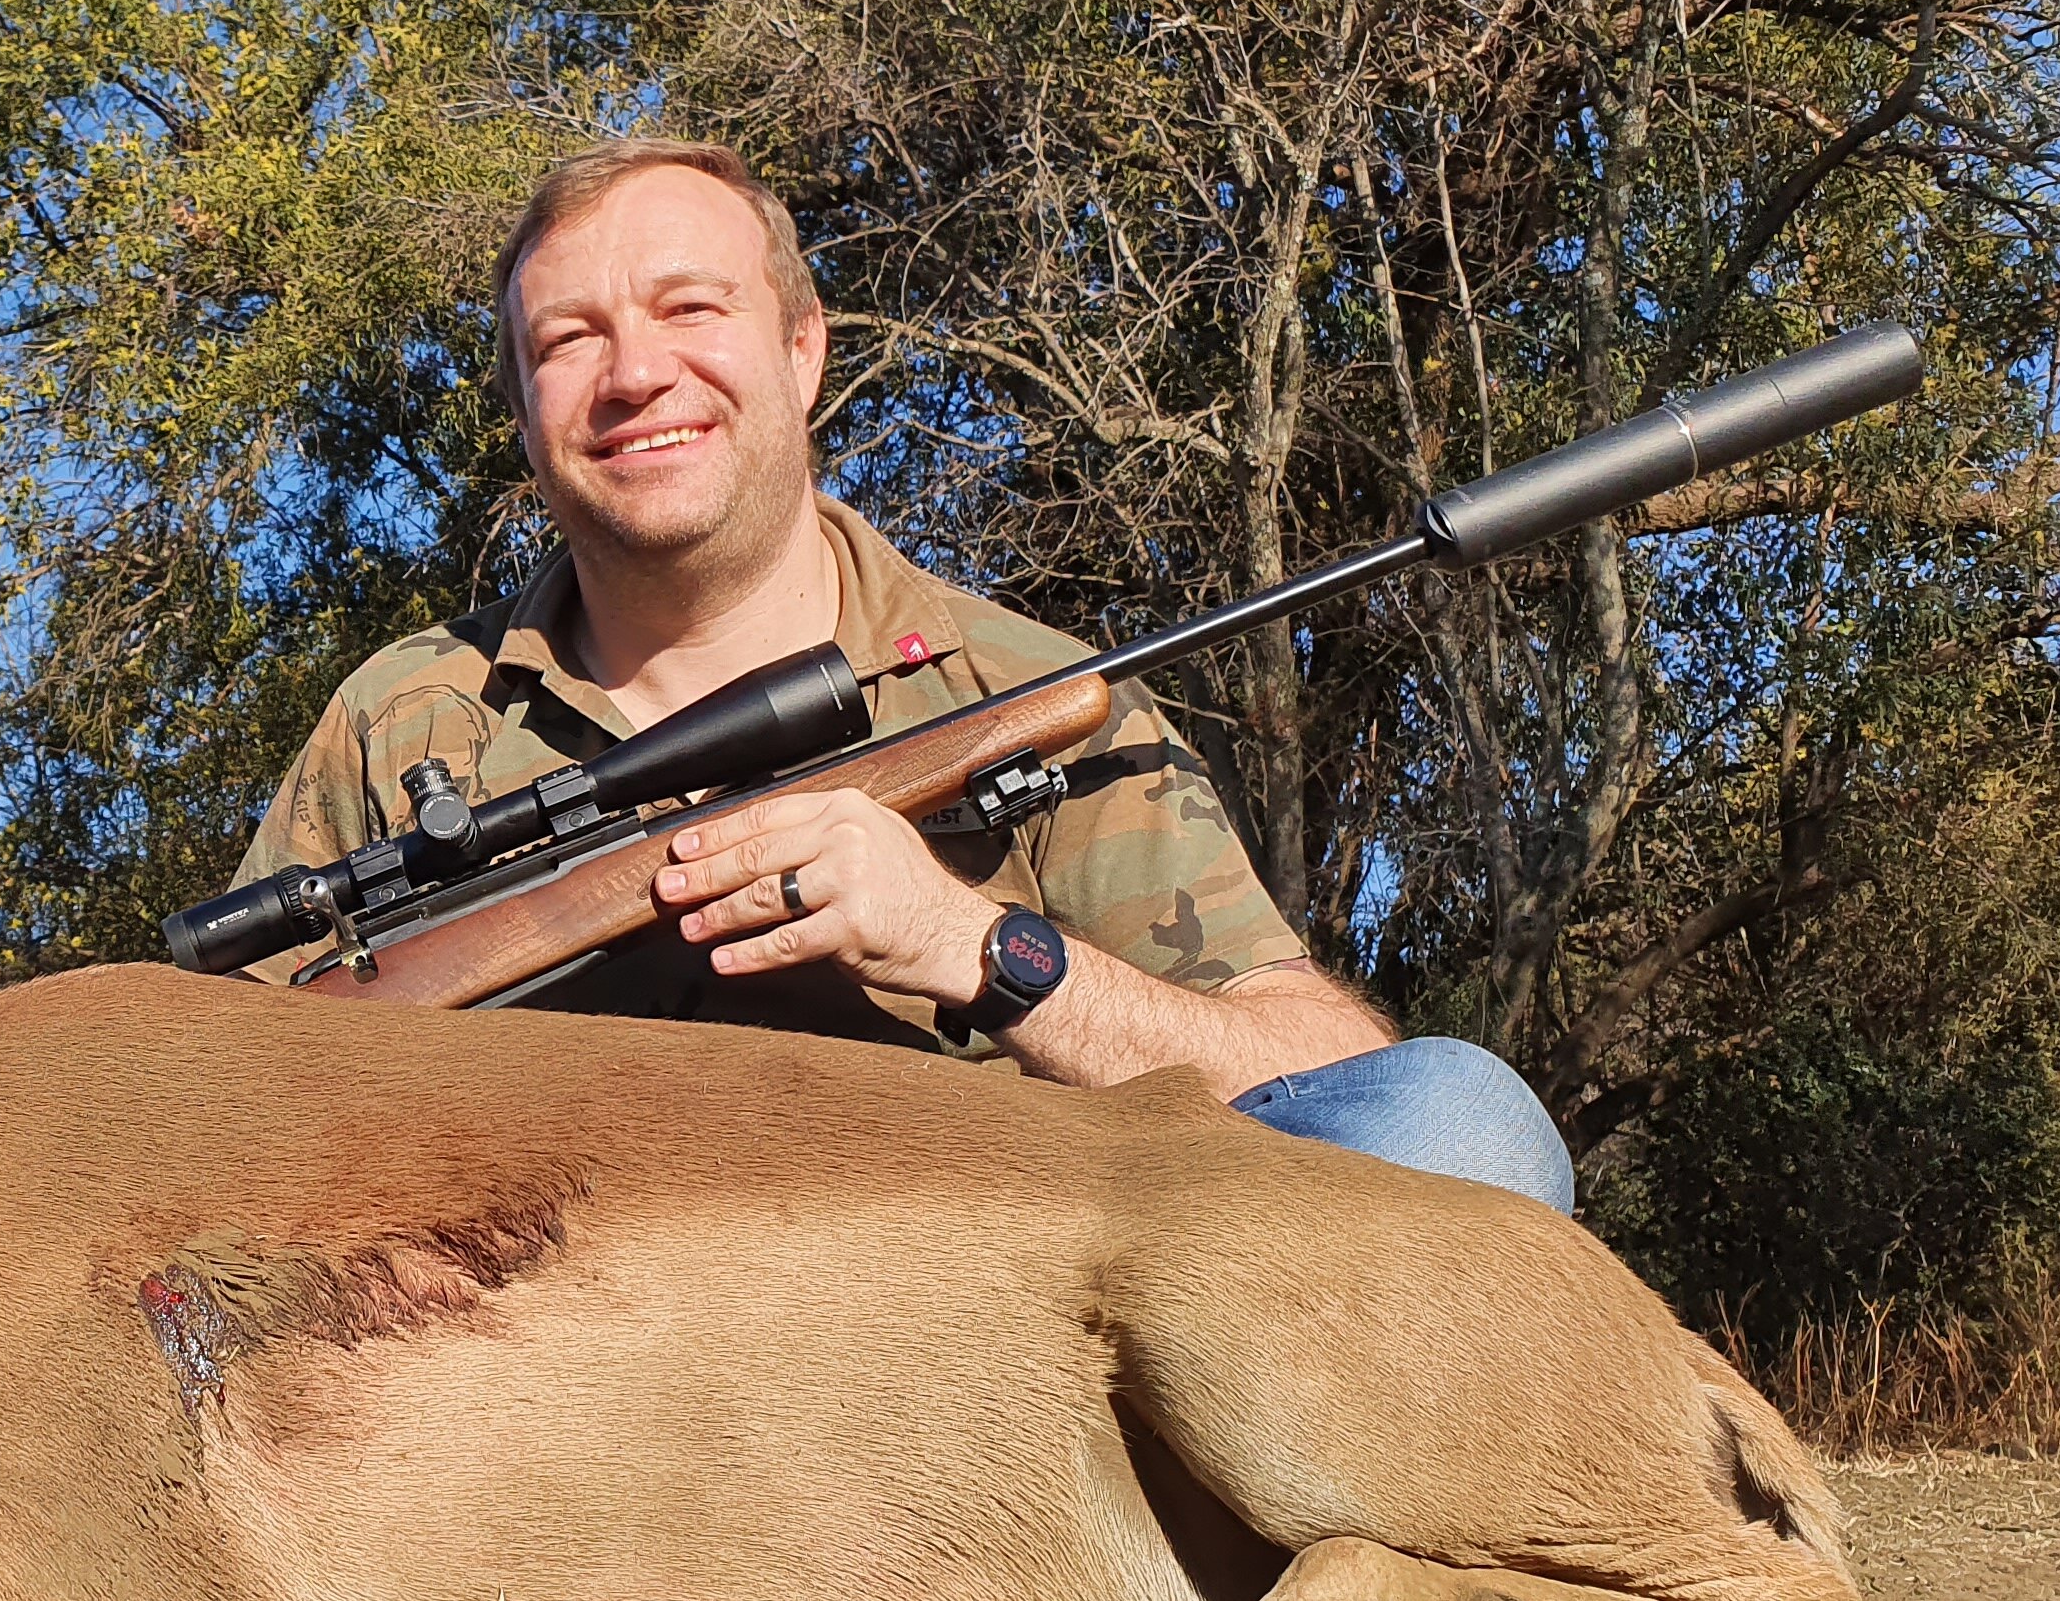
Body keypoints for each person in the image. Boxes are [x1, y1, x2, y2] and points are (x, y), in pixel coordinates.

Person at [231, 138, 1577, 1209]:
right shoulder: (405, 717)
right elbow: (204, 1092)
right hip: (553, 1360)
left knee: (1462, 1127)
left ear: (804, 349)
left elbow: (1325, 1073)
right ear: (526, 413)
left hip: (969, 1338)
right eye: (569, 340)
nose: (636, 372)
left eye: (689, 308)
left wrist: (970, 944)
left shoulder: (1017, 691)